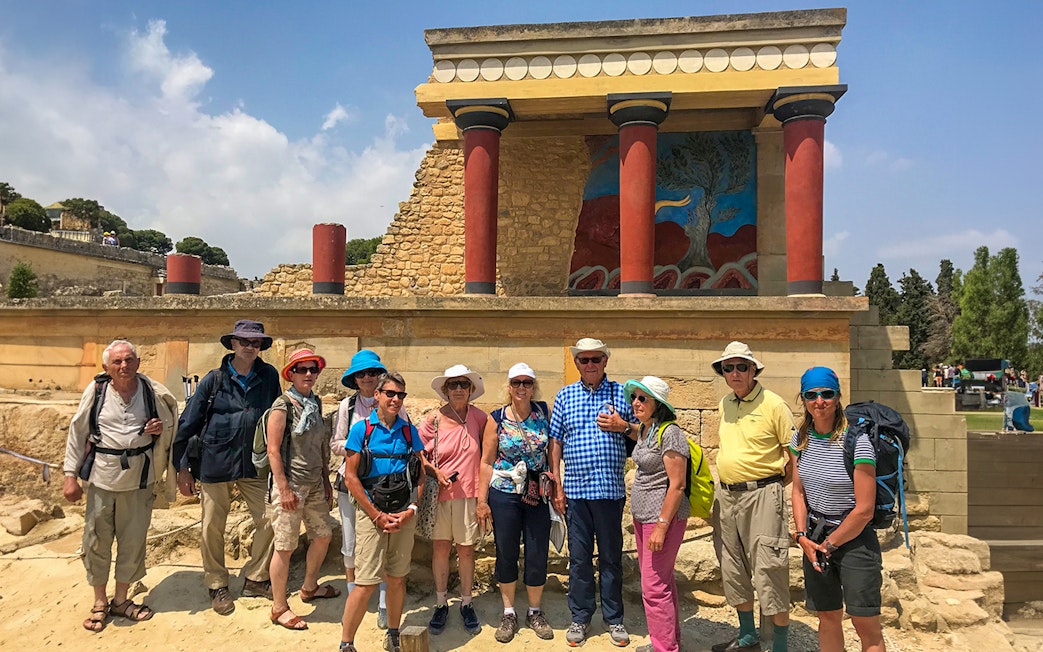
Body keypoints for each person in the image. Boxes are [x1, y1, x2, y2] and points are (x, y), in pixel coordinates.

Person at [63, 339, 178, 632]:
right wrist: (70, 476)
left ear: (138, 363)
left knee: (133, 542)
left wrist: (159, 428)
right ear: (106, 367)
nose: (124, 366)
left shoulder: (152, 391)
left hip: (139, 481)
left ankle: (122, 600)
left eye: (129, 360)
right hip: (102, 479)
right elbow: (78, 432)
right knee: (96, 541)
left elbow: (169, 424)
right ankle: (100, 601)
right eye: (117, 362)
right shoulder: (97, 391)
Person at [172, 319, 281, 614]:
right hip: (215, 461)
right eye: (244, 341)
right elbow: (187, 424)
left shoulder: (268, 376)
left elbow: (276, 418)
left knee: (271, 518)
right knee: (211, 526)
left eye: (256, 343)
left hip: (253, 464)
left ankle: (256, 577)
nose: (250, 347)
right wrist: (182, 468)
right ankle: (217, 584)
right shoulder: (213, 379)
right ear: (232, 344)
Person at [790, 367, 885, 652]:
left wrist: (829, 545)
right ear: (804, 398)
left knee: (864, 623)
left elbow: (865, 510)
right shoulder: (800, 440)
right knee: (827, 616)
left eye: (827, 394)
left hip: (853, 541)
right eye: (811, 395)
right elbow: (798, 490)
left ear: (838, 396)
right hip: (815, 538)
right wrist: (801, 537)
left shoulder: (857, 442)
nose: (819, 401)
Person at [549, 338, 637, 647]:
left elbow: (644, 432)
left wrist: (622, 425)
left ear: (605, 362)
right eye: (584, 360)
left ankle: (614, 619)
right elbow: (556, 441)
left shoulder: (621, 394)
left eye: (595, 360)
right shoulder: (564, 396)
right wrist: (556, 484)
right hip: (575, 490)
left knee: (611, 559)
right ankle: (580, 617)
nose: (590, 365)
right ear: (576, 364)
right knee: (580, 559)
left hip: (610, 491)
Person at [340, 372, 435, 652]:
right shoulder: (361, 430)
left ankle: (393, 634)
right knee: (366, 582)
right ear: (378, 395)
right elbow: (350, 477)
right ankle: (346, 642)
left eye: (400, 395)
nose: (395, 400)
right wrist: (376, 514)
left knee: (396, 578)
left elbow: (420, 473)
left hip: (403, 513)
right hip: (372, 514)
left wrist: (412, 508)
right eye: (390, 394)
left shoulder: (408, 431)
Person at [710, 341, 795, 652]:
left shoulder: (774, 405)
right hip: (727, 495)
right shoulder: (725, 404)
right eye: (728, 367)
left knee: (770, 569)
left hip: (762, 494)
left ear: (753, 370)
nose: (734, 373)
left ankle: (780, 646)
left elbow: (795, 455)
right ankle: (748, 636)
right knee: (732, 567)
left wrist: (774, 486)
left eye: (741, 366)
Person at [477, 363, 556, 643]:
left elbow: (553, 453)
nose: (521, 388)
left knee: (537, 551)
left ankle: (534, 611)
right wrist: (481, 500)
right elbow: (486, 462)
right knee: (506, 551)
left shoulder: (544, 413)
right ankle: (509, 612)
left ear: (534, 386)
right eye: (516, 382)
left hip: (536, 491)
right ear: (508, 387)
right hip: (504, 492)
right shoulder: (496, 418)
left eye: (527, 382)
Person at [266, 348, 339, 630]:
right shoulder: (283, 405)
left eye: (313, 369)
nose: (308, 374)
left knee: (322, 536)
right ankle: (279, 607)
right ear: (291, 374)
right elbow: (273, 450)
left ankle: (309, 587)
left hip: (314, 483)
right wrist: (283, 488)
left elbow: (321, 446)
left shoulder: (315, 403)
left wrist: (325, 479)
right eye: (302, 369)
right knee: (284, 546)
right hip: (291, 484)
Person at [420, 364, 489, 635]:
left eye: (463, 384)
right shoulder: (432, 420)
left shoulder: (481, 418)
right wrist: (435, 471)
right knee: (440, 548)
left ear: (470, 390)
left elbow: (488, 455)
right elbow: (420, 453)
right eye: (453, 384)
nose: (458, 389)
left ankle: (467, 602)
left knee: (466, 550)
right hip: (440, 496)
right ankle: (440, 603)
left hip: (469, 495)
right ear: (445, 390)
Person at [623, 376, 690, 652]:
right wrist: (624, 426)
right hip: (644, 518)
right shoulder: (645, 430)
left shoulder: (670, 433)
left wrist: (662, 526)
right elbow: (641, 443)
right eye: (634, 398)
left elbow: (677, 485)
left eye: (643, 399)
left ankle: (665, 648)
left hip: (661, 520)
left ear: (658, 404)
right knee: (662, 581)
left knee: (652, 588)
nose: (636, 403)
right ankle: (669, 641)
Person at [332, 349, 391, 628]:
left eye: (373, 373)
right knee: (350, 541)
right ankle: (353, 598)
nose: (368, 378)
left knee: (381, 542)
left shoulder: (392, 404)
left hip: (382, 485)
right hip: (351, 482)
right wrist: (360, 447)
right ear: (355, 379)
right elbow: (336, 443)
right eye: (362, 374)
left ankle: (382, 601)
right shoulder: (346, 407)